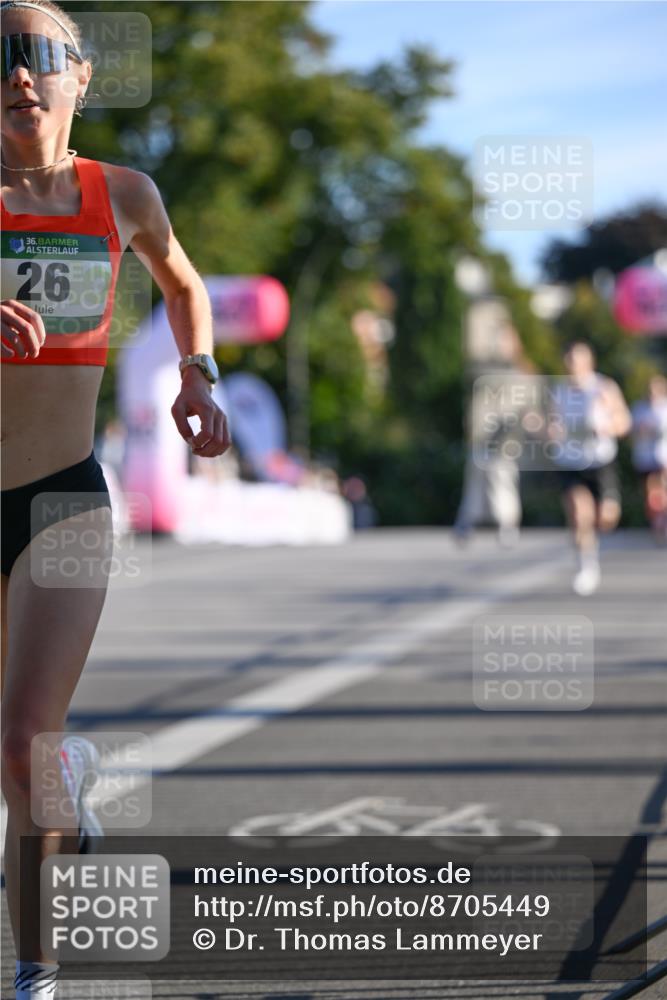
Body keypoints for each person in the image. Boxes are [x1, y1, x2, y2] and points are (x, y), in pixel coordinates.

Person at [0, 2, 230, 996]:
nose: (20, 73)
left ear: (81, 78)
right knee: (23, 757)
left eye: (41, 54)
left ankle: (33, 974)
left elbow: (182, 284)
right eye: (2, 55)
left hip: (63, 496)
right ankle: (71, 781)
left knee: (23, 745)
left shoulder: (123, 194)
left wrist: (199, 372)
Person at [550, 342, 631, 595]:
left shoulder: (604, 388)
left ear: (589, 363)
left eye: (578, 361)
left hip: (600, 461)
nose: (574, 366)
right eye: (570, 361)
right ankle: (586, 565)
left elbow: (624, 422)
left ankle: (592, 545)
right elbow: (550, 425)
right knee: (578, 514)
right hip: (570, 462)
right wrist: (549, 432)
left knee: (606, 518)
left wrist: (608, 427)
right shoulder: (559, 392)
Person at [631, 374, 667, 544]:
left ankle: (663, 522)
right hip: (644, 458)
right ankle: (657, 523)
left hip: (663, 457)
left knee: (662, 490)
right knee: (651, 495)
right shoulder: (639, 408)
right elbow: (632, 431)